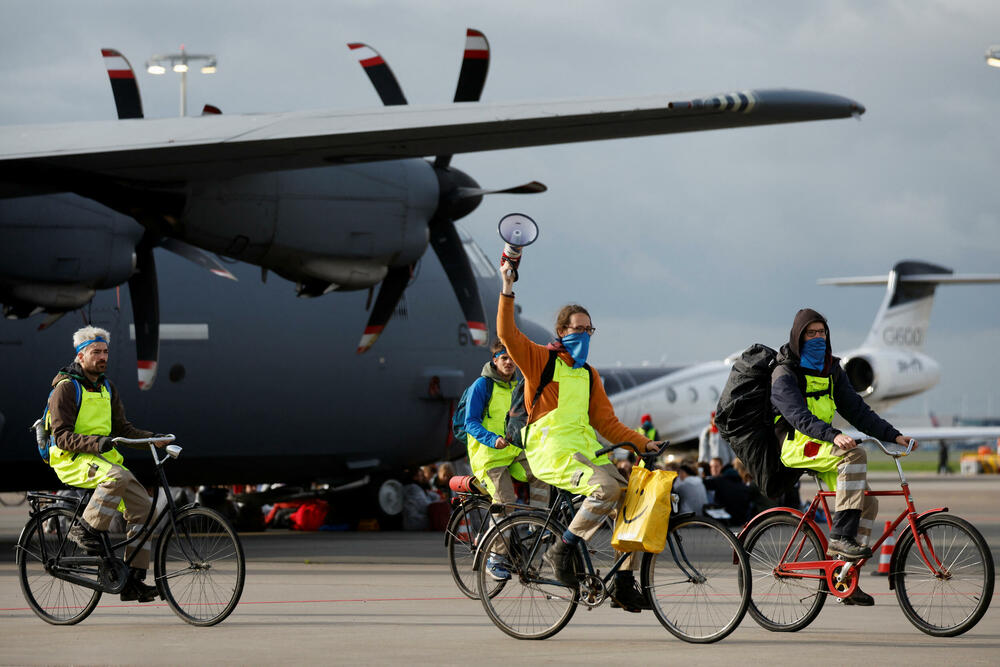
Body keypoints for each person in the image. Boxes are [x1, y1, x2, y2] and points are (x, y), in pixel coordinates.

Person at [497, 259, 660, 612]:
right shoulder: (540, 360)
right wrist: (507, 289)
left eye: (589, 329)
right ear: (562, 331)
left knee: (636, 501)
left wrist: (644, 443)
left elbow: (608, 424)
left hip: (585, 451)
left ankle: (623, 581)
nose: (585, 334)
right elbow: (508, 335)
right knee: (608, 488)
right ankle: (563, 548)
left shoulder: (589, 375)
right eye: (578, 328)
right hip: (550, 451)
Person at [771, 308, 917, 607]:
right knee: (855, 455)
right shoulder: (784, 372)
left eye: (821, 332)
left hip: (824, 444)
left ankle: (844, 577)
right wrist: (833, 435)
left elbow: (857, 410)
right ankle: (840, 537)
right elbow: (797, 415)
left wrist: (893, 435)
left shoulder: (831, 368)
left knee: (867, 503)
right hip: (797, 444)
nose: (817, 338)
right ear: (798, 336)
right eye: (810, 333)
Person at [46, 326, 169, 603]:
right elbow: (62, 437)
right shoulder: (66, 389)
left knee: (143, 509)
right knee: (116, 476)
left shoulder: (106, 387)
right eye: (95, 352)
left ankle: (133, 580)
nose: (102, 357)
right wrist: (97, 443)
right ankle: (85, 530)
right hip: (71, 459)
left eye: (105, 352)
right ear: (80, 356)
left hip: (100, 460)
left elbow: (122, 428)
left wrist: (153, 438)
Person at [464, 339, 549, 578]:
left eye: (512, 358)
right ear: (495, 360)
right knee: (506, 501)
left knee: (543, 472)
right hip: (489, 457)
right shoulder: (482, 386)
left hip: (512, 452)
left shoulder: (518, 386)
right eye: (504, 358)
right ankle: (495, 558)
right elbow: (470, 422)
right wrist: (492, 439)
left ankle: (538, 524)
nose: (510, 362)